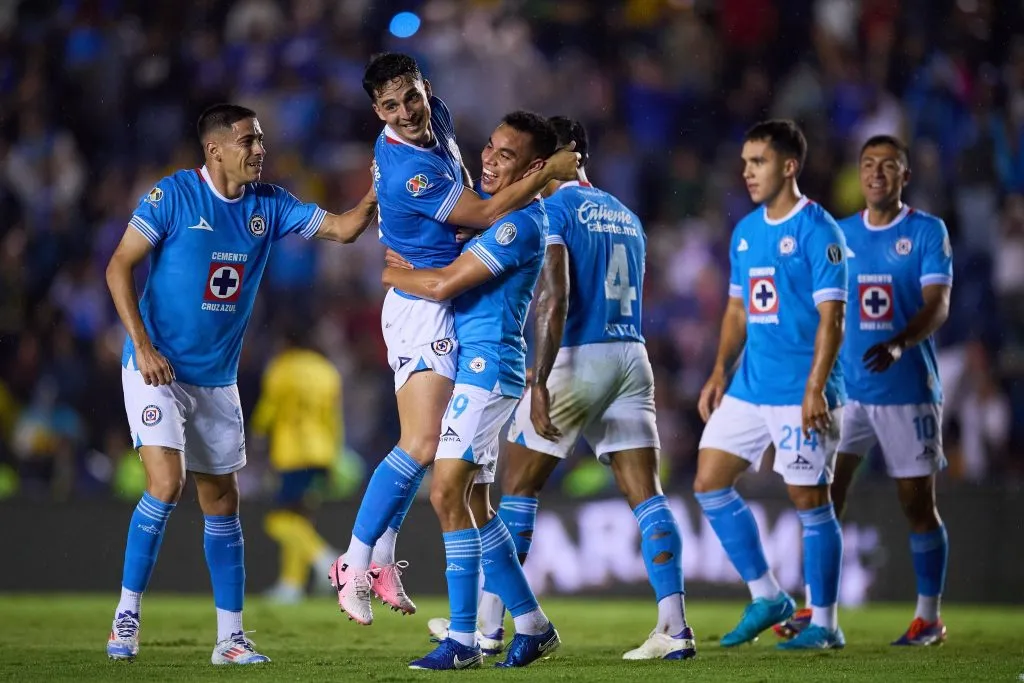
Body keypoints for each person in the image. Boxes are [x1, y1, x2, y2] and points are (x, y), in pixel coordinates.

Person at [104, 103, 379, 664]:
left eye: (261, 140)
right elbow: (117, 266)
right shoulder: (175, 195)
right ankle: (125, 617)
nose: (260, 149)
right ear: (215, 149)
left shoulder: (268, 206)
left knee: (222, 501)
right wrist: (144, 345)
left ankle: (230, 639)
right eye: (249, 140)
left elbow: (345, 229)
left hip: (216, 379)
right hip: (157, 368)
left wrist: (378, 188)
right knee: (165, 483)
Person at [428, 116, 695, 661]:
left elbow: (555, 296)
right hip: (631, 355)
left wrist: (539, 379)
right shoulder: (627, 215)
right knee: (647, 495)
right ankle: (675, 627)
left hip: (576, 356)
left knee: (515, 491)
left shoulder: (552, 210)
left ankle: (489, 629)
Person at [329, 52, 579, 626]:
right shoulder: (408, 171)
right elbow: (487, 208)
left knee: (462, 490)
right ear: (377, 110)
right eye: (391, 106)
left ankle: (512, 618)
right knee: (420, 448)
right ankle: (356, 561)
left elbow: (472, 192)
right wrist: (547, 173)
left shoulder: (435, 117)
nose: (407, 111)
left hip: (442, 302)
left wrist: (393, 221)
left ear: (427, 89)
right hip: (422, 304)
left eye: (411, 97)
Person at [382, 111, 562, 670]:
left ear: (532, 169)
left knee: (445, 492)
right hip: (483, 370)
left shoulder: (516, 225)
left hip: (486, 371)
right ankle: (532, 625)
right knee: (480, 508)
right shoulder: (498, 219)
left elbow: (441, 285)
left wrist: (394, 274)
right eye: (489, 145)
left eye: (506, 155)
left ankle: (463, 641)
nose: (488, 157)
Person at [774, 135, 953, 646]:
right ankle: (817, 608)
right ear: (859, 173)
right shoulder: (838, 233)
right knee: (823, 496)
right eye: (868, 164)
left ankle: (929, 617)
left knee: (916, 503)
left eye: (888, 166)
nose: (876, 173)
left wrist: (900, 343)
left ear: (904, 176)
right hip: (846, 391)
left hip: (907, 391)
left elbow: (937, 305)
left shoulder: (925, 232)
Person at [694, 119, 849, 651]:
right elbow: (737, 308)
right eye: (744, 163)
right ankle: (768, 596)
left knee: (810, 500)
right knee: (709, 482)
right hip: (749, 385)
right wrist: (718, 370)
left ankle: (826, 623)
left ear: (789, 166)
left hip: (801, 390)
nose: (747, 172)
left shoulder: (819, 230)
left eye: (757, 162)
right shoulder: (746, 232)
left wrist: (816, 389)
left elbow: (834, 319)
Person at [251, 321, 342, 604]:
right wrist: (334, 455)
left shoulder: (282, 368)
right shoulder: (327, 370)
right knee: (300, 519)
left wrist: (255, 434)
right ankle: (291, 585)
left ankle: (328, 562)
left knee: (279, 520)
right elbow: (333, 417)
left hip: (291, 453)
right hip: (322, 452)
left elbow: (269, 408)